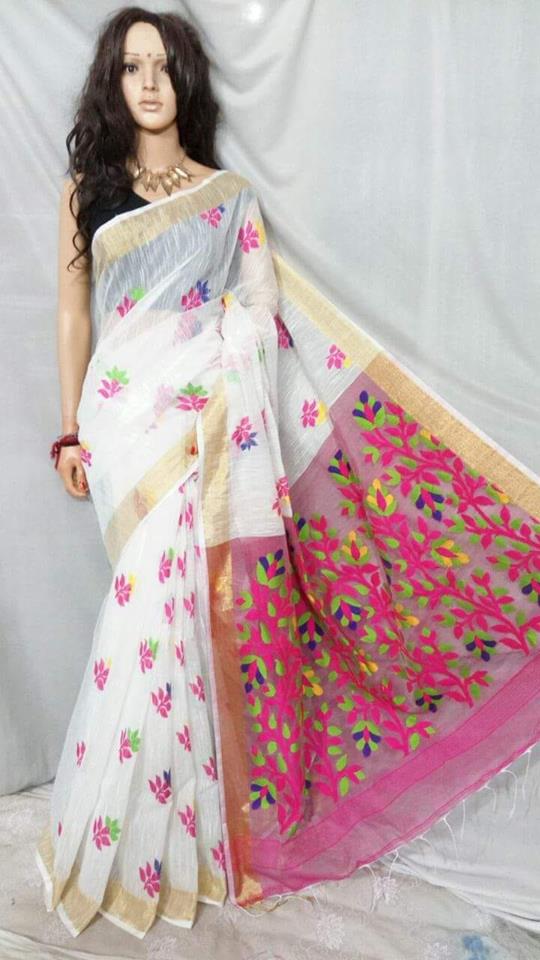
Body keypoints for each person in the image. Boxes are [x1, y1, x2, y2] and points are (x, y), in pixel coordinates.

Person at [36, 4, 540, 942]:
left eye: (162, 65)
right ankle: (136, 828)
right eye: (131, 67)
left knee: (197, 606)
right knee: (151, 598)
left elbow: (260, 306)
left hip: (215, 413)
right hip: (127, 424)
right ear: (112, 81)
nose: (148, 83)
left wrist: (223, 353)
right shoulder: (87, 193)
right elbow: (74, 313)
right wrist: (68, 430)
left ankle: (205, 829)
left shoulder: (227, 196)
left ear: (185, 78)